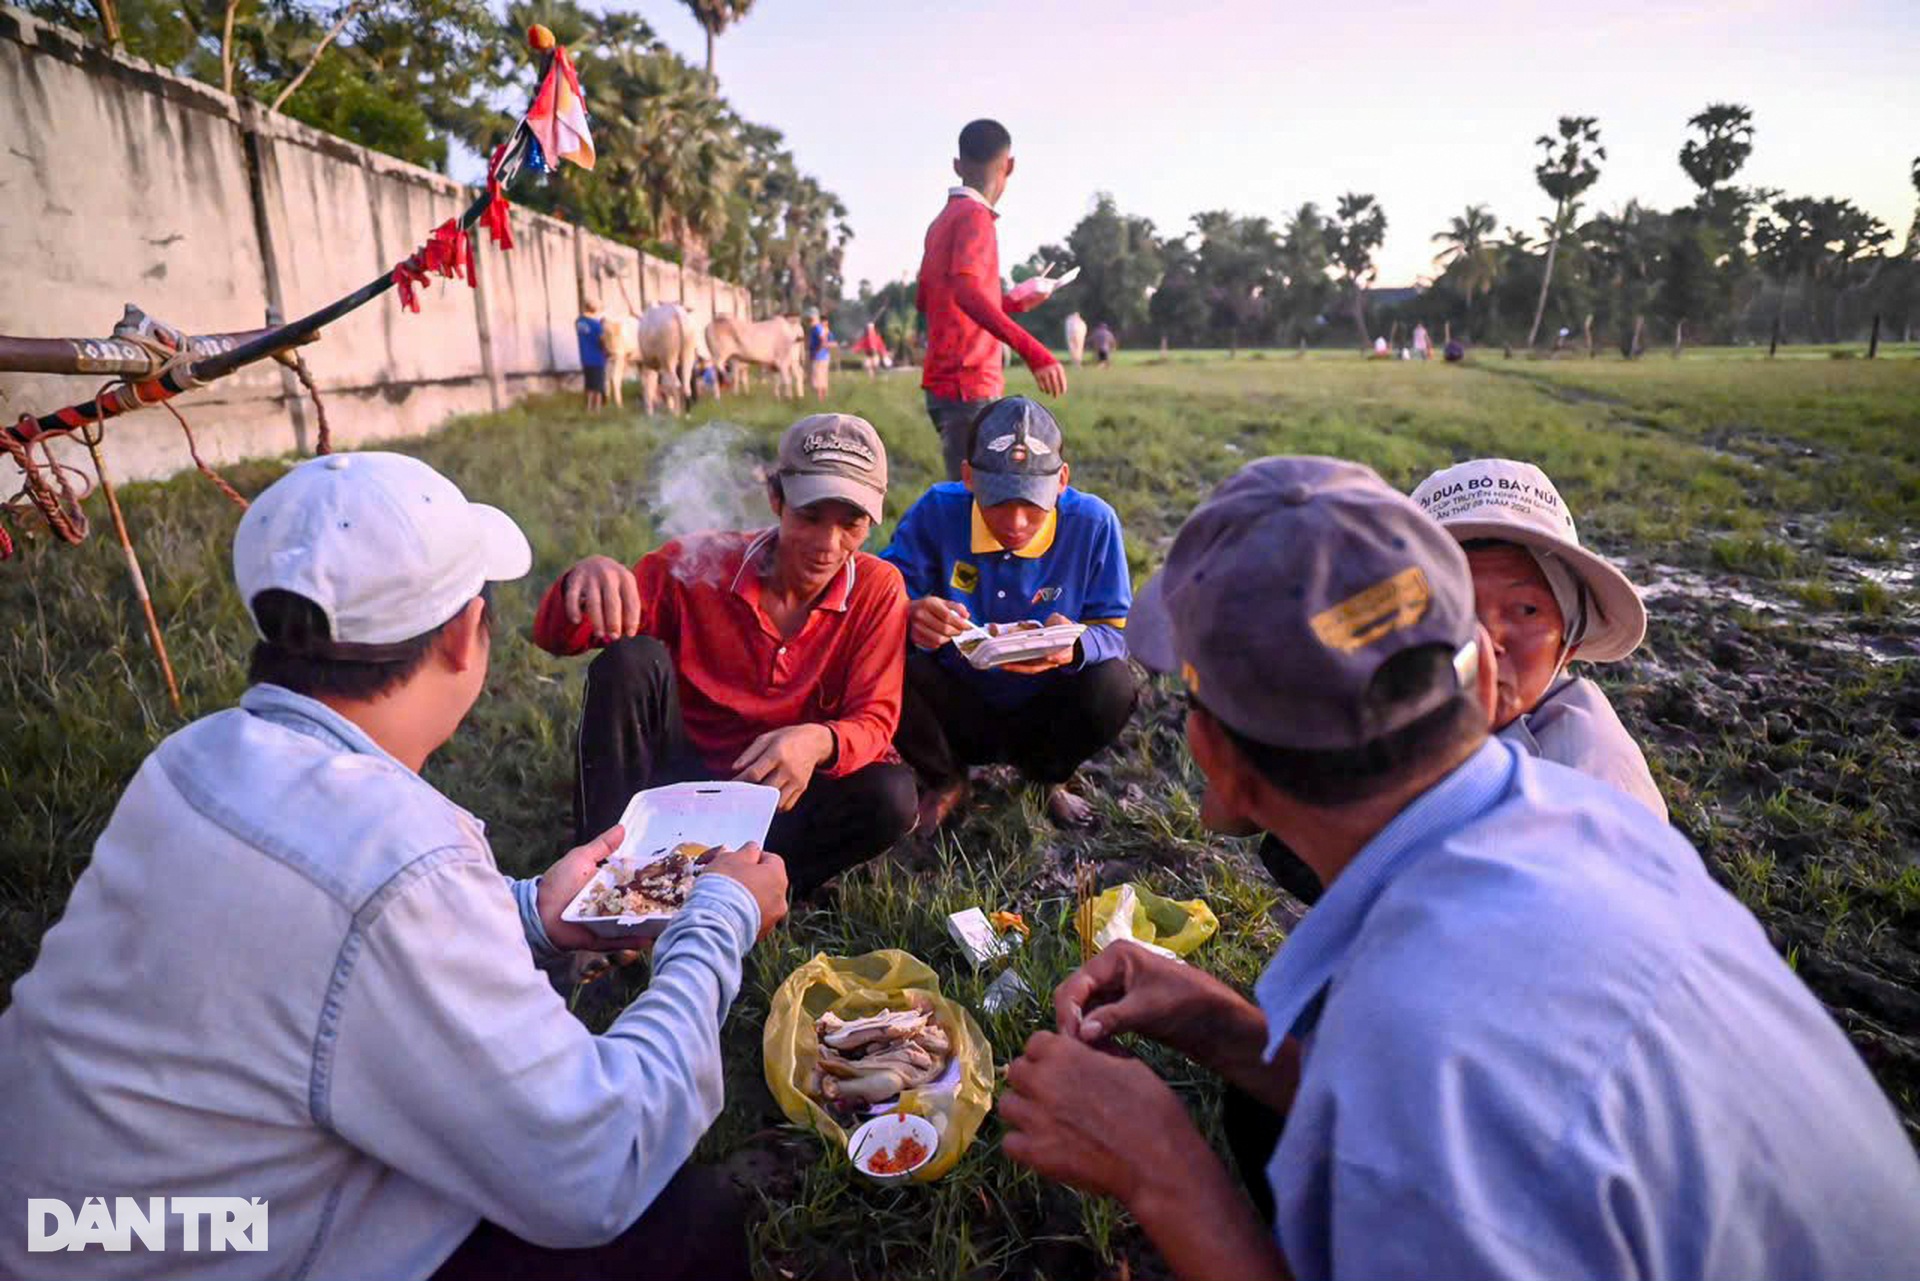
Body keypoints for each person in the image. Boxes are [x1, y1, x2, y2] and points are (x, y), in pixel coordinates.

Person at [999, 456, 1920, 1281]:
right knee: (1260, 1108)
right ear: (1484, 687)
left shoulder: (1423, 1056)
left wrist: (1165, 1177)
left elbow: (1443, 1080)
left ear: (1217, 761)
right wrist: (1229, 1028)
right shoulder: (1594, 816)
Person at [0, 452, 790, 1281]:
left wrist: (528, 915)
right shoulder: (400, 862)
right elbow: (599, 1158)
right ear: (462, 638)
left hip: (73, 1227)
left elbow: (314, 957)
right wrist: (717, 918)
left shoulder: (192, 758)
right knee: (685, 1226)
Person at [533, 414, 918, 898]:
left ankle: (759, 888)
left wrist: (818, 741)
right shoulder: (697, 565)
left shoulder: (878, 589)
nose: (828, 544)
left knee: (892, 797)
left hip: (782, 797)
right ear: (777, 499)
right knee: (630, 659)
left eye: (852, 523)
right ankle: (604, 875)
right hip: (680, 782)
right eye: (810, 516)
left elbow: (875, 718)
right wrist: (585, 581)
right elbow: (559, 638)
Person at [881, 397, 1136, 830]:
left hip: (1048, 704)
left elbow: (1113, 632)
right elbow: (882, 595)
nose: (1016, 522)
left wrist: (1074, 646)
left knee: (1112, 681)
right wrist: (911, 613)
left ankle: (1046, 780)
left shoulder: (1092, 524)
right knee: (880, 655)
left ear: (1061, 481)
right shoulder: (938, 512)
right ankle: (944, 776)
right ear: (968, 478)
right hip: (955, 700)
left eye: (1033, 504)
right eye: (998, 502)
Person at [1412, 458, 1666, 819]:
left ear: (1567, 645)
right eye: (1454, 604)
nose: (1486, 639)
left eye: (1526, 610)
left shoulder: (1585, 790)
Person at [917, 118, 1066, 481]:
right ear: (1009, 166)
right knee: (978, 499)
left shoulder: (942, 222)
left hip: (944, 386)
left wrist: (1013, 302)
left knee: (969, 490)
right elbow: (966, 294)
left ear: (957, 165)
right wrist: (1036, 353)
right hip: (969, 383)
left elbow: (930, 300)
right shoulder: (975, 217)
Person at [604, 308, 640, 408]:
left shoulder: (608, 327)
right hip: (621, 352)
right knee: (616, 377)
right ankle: (618, 402)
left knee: (609, 377)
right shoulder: (622, 326)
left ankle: (608, 399)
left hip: (613, 352)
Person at [576, 298, 608, 412]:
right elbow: (602, 341)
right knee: (598, 388)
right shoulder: (596, 325)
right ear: (595, 310)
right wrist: (606, 351)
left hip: (585, 358)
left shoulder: (579, 322)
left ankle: (588, 408)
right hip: (597, 358)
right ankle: (597, 409)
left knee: (589, 385)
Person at [805, 307, 835, 402]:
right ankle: (823, 401)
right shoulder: (819, 328)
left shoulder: (817, 328)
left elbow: (823, 341)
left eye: (809, 318)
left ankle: (819, 402)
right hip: (823, 357)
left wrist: (817, 352)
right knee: (822, 380)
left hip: (818, 358)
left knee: (816, 382)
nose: (808, 320)